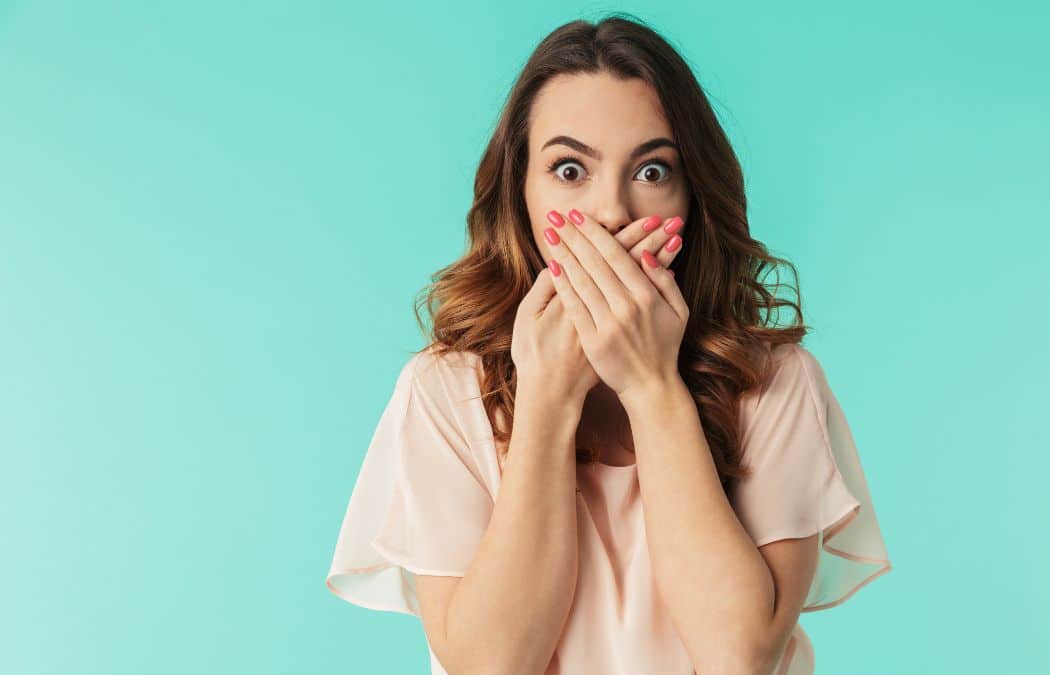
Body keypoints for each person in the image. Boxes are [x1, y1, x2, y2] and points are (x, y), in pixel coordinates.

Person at [326, 13, 891, 675]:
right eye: (570, 170)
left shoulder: (775, 382)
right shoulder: (445, 391)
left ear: (693, 196)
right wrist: (546, 398)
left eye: (651, 172)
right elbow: (489, 666)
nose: (613, 213)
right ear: (521, 195)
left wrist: (652, 387)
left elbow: (741, 657)